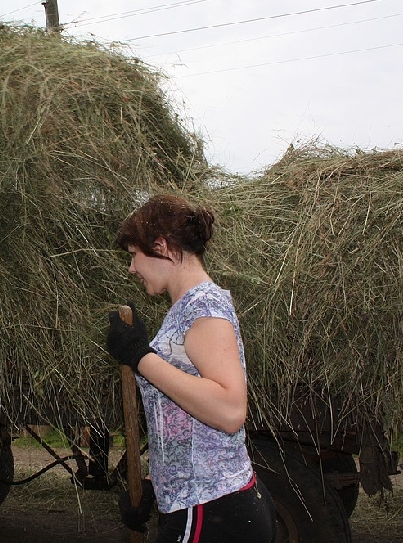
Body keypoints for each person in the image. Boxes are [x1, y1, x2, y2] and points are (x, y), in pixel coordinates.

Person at [106, 194, 276, 542]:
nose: (132, 268)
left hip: (209, 509)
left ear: (162, 247)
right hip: (203, 504)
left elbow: (229, 410)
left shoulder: (204, 308)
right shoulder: (189, 307)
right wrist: (156, 484)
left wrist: (141, 357)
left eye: (134, 255)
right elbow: (184, 423)